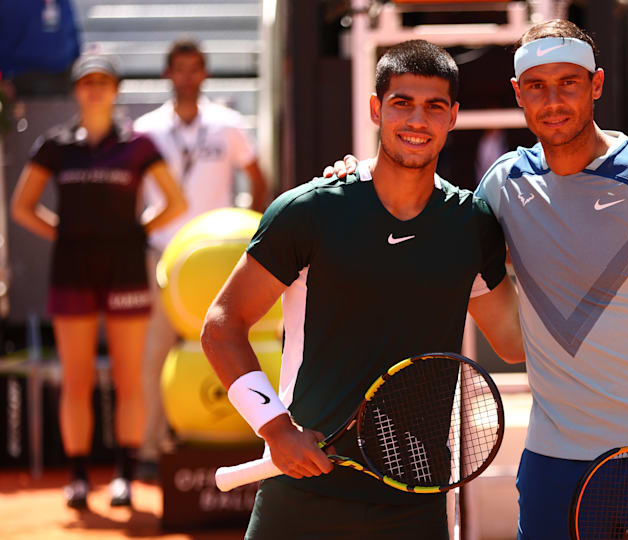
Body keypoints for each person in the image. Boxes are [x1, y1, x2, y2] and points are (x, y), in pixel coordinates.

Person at [327, 19, 628, 540]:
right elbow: (432, 213)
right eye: (536, 86)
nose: (552, 100)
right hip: (554, 464)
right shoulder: (504, 185)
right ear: (518, 93)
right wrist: (360, 176)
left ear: (596, 85)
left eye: (568, 83)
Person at [200, 40, 524, 539]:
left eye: (435, 106)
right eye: (402, 103)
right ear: (376, 108)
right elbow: (222, 326)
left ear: (454, 117)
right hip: (302, 496)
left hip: (415, 499)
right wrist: (276, 430)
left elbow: (514, 341)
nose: (418, 120)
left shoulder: (471, 224)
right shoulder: (310, 211)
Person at [10, 54, 187, 509]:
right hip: (72, 269)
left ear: (115, 90)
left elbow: (175, 201)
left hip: (125, 267)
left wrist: (139, 231)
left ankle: (124, 475)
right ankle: (78, 477)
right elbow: (22, 206)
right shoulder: (55, 146)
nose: (94, 90)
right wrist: (65, 233)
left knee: (129, 378)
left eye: (103, 82)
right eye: (87, 82)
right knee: (77, 378)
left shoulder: (137, 144)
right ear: (76, 90)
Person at [133, 39, 269, 473]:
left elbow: (256, 176)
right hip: (163, 257)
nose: (187, 77)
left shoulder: (226, 123)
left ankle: (246, 438)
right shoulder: (146, 128)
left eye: (195, 69)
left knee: (233, 345)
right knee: (155, 353)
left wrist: (247, 228)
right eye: (180, 69)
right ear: (167, 75)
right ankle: (153, 448)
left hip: (219, 258)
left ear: (205, 74)